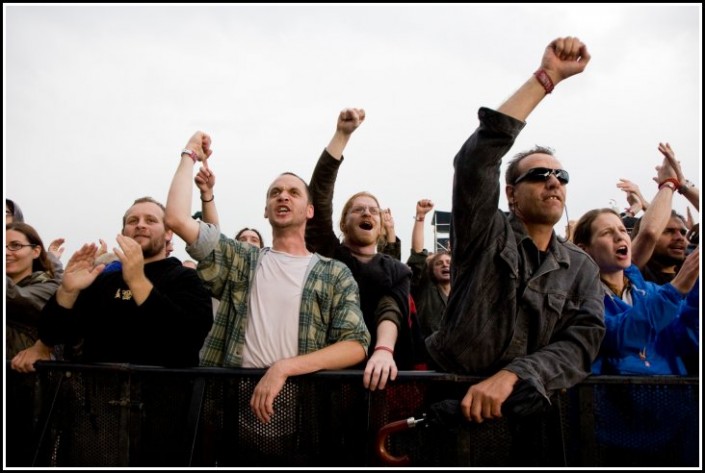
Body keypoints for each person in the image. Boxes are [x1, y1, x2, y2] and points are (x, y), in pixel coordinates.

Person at [425, 36, 605, 423]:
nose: (553, 182)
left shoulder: (582, 268)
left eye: (561, 175)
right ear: (511, 193)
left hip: (533, 413)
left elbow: (582, 341)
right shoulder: (484, 233)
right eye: (540, 175)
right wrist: (547, 78)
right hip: (451, 405)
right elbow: (476, 160)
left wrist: (518, 374)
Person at [165, 132, 370, 424]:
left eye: (293, 192)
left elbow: (356, 344)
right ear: (266, 210)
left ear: (310, 210)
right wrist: (189, 155)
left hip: (304, 420)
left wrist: (284, 368)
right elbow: (175, 218)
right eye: (275, 193)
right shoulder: (242, 260)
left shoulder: (333, 273)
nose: (283, 196)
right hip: (232, 416)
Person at [11, 197, 213, 371]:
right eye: (133, 221)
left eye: (150, 220)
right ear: (123, 232)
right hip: (99, 403)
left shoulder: (185, 279)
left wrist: (137, 281)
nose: (140, 225)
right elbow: (59, 334)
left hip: (163, 403)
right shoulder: (104, 281)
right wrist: (67, 291)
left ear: (168, 233)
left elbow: (186, 339)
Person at [306, 108, 423, 391]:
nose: (366, 213)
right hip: (326, 376)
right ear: (344, 222)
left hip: (383, 376)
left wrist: (383, 350)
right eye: (358, 209)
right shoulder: (330, 255)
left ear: (381, 226)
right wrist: (342, 135)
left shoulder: (397, 270)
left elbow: (391, 307)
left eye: (373, 210)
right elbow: (320, 195)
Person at [573, 208, 699, 375]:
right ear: (584, 249)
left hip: (673, 397)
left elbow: (687, 339)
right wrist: (675, 291)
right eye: (607, 232)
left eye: (623, 230)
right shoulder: (577, 298)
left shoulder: (652, 291)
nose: (619, 237)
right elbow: (617, 337)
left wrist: (697, 293)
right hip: (617, 398)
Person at [6, 222, 60, 359]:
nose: (6, 252)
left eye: (15, 245)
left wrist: (53, 259)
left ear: (36, 251)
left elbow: (16, 297)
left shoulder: (49, 288)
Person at [407, 199, 450, 338]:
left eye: (449, 262)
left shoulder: (463, 293)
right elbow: (418, 254)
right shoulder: (426, 289)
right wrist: (420, 217)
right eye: (439, 263)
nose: (445, 264)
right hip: (427, 354)